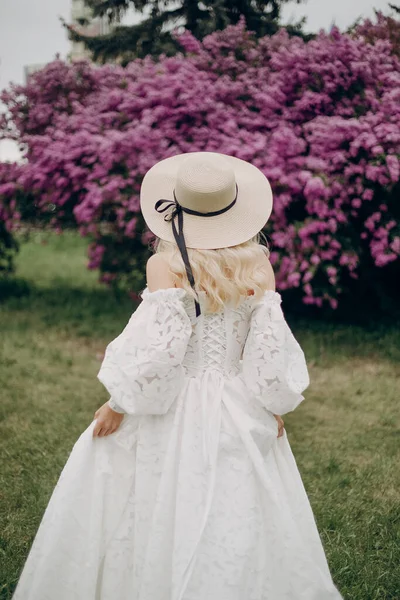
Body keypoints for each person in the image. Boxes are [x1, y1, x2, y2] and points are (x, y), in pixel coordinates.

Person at [12, 152, 343, 599]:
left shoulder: (165, 265)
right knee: (237, 504)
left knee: (148, 497)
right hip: (235, 402)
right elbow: (266, 349)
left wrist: (120, 404)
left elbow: (160, 353)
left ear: (175, 210)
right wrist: (269, 404)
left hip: (174, 401)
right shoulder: (259, 267)